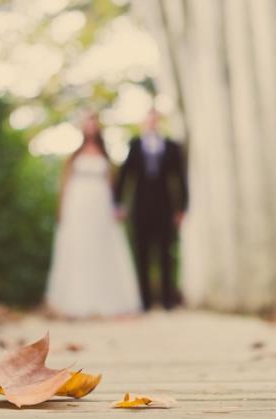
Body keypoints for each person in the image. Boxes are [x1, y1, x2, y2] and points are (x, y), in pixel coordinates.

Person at [45, 112, 141, 318]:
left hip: (101, 206)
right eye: (87, 122)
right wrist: (61, 209)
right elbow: (65, 184)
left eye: (93, 122)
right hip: (78, 204)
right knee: (80, 248)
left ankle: (106, 300)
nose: (90, 126)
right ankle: (76, 302)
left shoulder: (105, 155)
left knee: (101, 247)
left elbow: (112, 185)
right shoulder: (74, 156)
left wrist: (116, 207)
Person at [114, 108, 188, 310]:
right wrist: (118, 203)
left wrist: (182, 208)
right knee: (142, 253)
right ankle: (145, 302)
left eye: (155, 120)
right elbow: (125, 175)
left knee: (166, 253)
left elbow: (180, 178)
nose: (152, 123)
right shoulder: (135, 145)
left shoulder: (171, 146)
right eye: (149, 120)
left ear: (159, 122)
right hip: (140, 206)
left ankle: (167, 301)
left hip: (165, 207)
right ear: (144, 123)